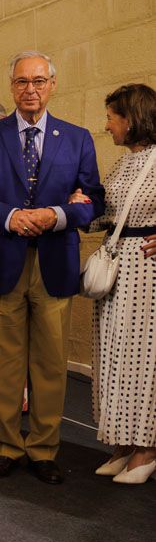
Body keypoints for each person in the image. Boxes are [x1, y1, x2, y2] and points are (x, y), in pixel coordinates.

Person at [0, 50, 104, 485]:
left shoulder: (77, 138)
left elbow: (93, 199)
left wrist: (57, 215)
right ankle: (5, 445)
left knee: (49, 363)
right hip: (3, 256)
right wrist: (10, 216)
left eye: (39, 81)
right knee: (5, 362)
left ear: (53, 85)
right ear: (12, 87)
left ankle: (43, 448)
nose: (30, 90)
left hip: (55, 261)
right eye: (22, 82)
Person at [90, 83, 156, 485]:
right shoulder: (125, 162)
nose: (107, 125)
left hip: (148, 273)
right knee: (115, 354)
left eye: (112, 117)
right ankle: (125, 442)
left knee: (145, 359)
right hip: (118, 270)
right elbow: (112, 214)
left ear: (131, 120)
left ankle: (148, 447)